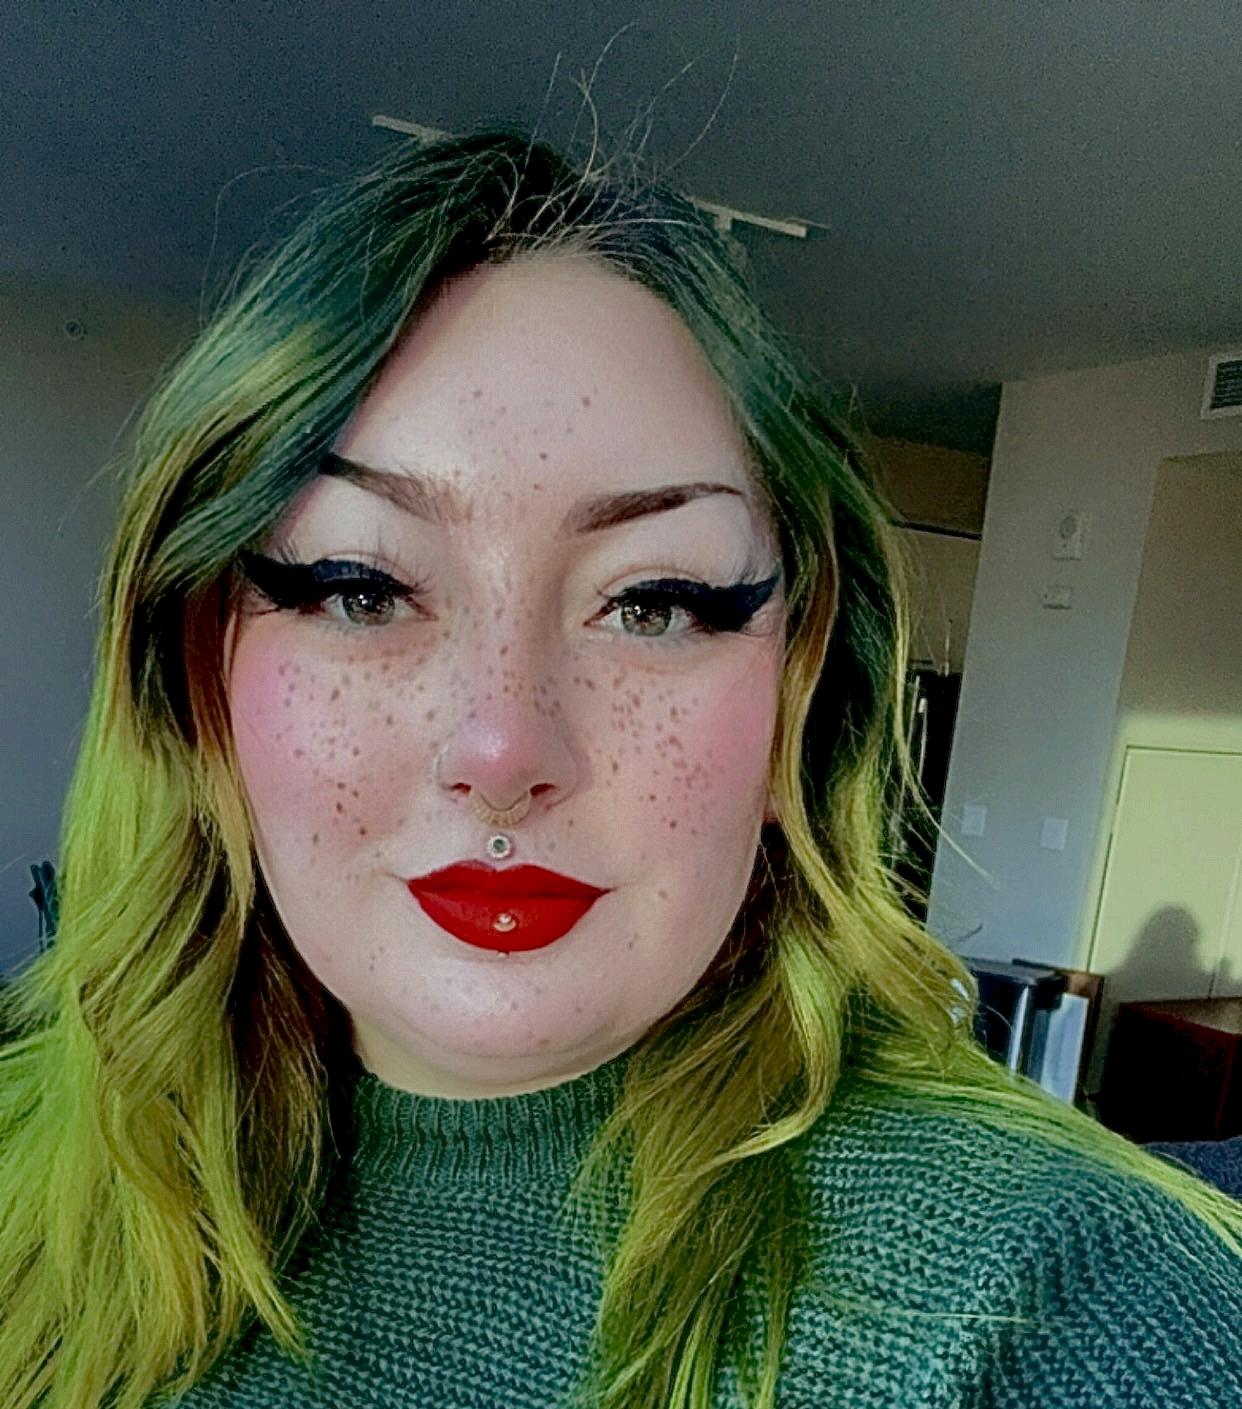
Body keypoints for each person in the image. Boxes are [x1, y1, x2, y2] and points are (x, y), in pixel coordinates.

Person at [0, 128, 1239, 1409]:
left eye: (655, 603)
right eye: (361, 587)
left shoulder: (1063, 1300)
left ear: (796, 692)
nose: (502, 751)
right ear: (200, 671)